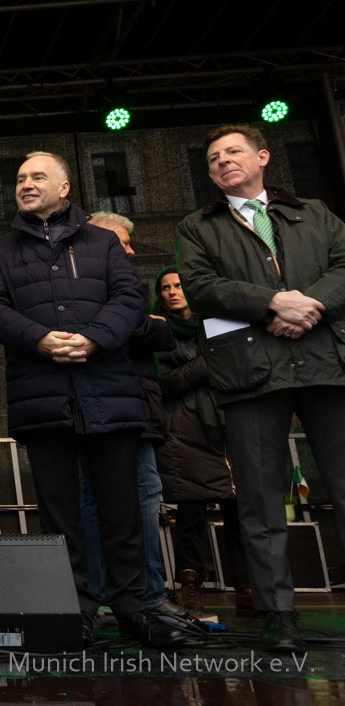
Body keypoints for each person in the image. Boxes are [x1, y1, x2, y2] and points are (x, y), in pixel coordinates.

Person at [0, 151, 184, 648]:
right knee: (59, 514)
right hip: (41, 397)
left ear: (65, 187)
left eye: (37, 176)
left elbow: (130, 300)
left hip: (109, 392)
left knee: (121, 508)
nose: (26, 184)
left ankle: (134, 607)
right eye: (20, 178)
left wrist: (92, 339)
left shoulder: (103, 242)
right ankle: (76, 609)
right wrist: (41, 339)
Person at [176, 123, 345, 654]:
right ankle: (278, 615)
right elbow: (200, 286)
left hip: (324, 363)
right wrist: (274, 303)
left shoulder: (314, 213)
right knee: (259, 500)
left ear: (263, 157)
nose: (222, 161)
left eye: (233, 151)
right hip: (249, 372)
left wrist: (309, 306)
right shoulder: (197, 226)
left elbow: (344, 266)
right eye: (213, 158)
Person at [78, 211, 175, 614]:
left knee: (107, 498)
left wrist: (153, 325)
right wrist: (150, 324)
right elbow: (141, 329)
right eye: (124, 242)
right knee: (140, 494)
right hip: (121, 406)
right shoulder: (98, 283)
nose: (131, 251)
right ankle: (147, 595)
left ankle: (110, 596)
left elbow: (159, 331)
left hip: (124, 404)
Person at [151, 266, 250, 620]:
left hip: (226, 425)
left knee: (239, 511)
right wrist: (208, 364)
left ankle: (248, 590)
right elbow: (162, 383)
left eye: (178, 285)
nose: (172, 291)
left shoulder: (215, 324)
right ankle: (191, 589)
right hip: (184, 432)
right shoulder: (158, 330)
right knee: (191, 513)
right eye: (165, 287)